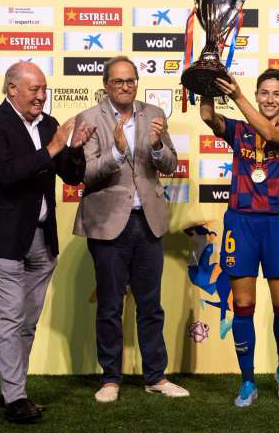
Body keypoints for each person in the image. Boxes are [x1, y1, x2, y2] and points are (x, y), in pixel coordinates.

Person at [0, 61, 92, 423]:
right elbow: (6, 175)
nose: (41, 95)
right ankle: (15, 396)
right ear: (12, 90)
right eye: (34, 89)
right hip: (2, 236)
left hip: (40, 238)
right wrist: (53, 148)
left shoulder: (49, 125)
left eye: (43, 88)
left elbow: (70, 175)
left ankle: (14, 390)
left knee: (27, 321)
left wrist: (76, 149)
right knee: (10, 317)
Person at [72, 56, 188, 403]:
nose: (125, 86)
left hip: (147, 222)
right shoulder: (90, 119)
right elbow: (87, 174)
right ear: (106, 85)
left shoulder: (154, 114)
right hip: (108, 224)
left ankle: (156, 376)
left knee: (151, 305)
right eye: (118, 81)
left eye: (131, 80)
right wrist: (117, 153)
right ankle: (110, 378)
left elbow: (170, 163)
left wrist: (155, 146)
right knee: (109, 305)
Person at [199, 68, 279, 407]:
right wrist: (205, 84)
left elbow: (272, 135)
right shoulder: (239, 130)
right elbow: (208, 116)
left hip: (277, 225)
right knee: (243, 305)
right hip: (241, 224)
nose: (270, 99)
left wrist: (237, 96)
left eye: (277, 94)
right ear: (258, 95)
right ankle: (247, 381)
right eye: (264, 93)